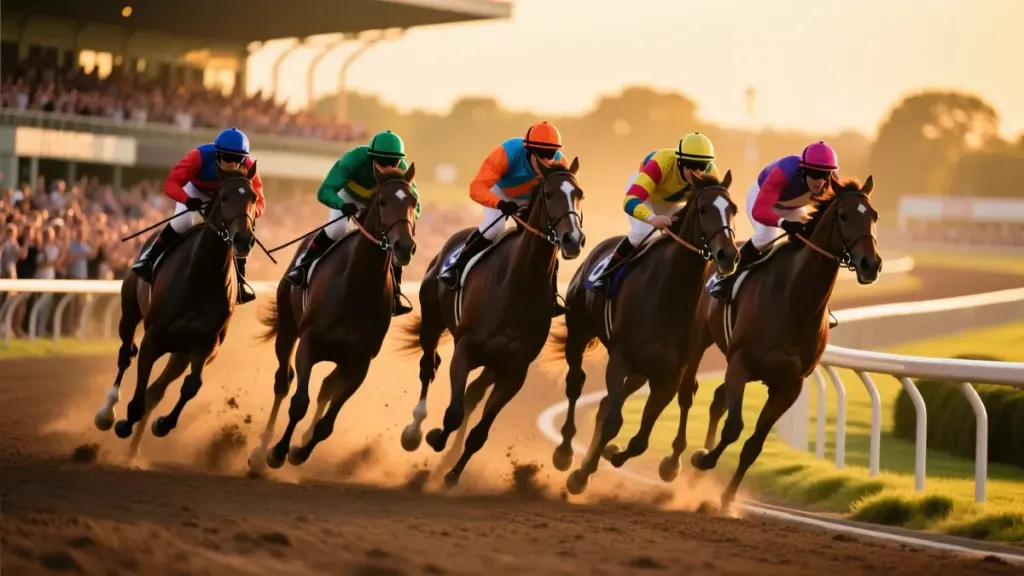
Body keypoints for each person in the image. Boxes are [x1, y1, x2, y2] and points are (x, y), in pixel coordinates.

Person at [437, 121, 569, 317]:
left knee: (545, 237)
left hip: (532, 198)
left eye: (551, 155)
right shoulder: (505, 153)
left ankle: (552, 294)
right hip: (499, 192)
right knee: (494, 229)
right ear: (529, 150)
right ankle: (457, 267)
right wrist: (499, 203)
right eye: (542, 155)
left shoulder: (561, 163)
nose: (547, 161)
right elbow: (476, 188)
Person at [283, 130, 420, 316]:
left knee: (393, 237)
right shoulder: (354, 159)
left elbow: (415, 204)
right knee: (337, 229)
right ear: (371, 157)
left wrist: (407, 222)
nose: (388, 167)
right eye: (382, 161)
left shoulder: (403, 171)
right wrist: (341, 204)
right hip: (349, 199)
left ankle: (395, 293)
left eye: (393, 162)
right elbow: (324, 190)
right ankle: (303, 266)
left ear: (399, 161)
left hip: (380, 203)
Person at [707, 141, 841, 327]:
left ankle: (821, 305)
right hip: (762, 200)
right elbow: (759, 211)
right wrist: (783, 223)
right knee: (767, 236)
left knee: (811, 241)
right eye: (816, 174)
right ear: (803, 170)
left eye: (825, 175)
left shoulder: (831, 181)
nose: (821, 181)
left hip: (793, 207)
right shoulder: (783, 173)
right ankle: (727, 278)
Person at [131, 127, 265, 304]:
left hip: (225, 198)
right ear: (217, 154)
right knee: (182, 222)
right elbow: (171, 183)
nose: (233, 164)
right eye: (227, 157)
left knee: (239, 232)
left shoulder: (248, 167)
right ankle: (149, 259)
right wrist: (187, 200)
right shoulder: (199, 156)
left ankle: (240, 280)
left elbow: (260, 201)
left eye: (238, 159)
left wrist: (246, 213)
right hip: (196, 191)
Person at [589, 132, 719, 297]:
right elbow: (630, 201)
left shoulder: (711, 174)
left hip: (670, 202)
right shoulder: (661, 163)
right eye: (692, 166)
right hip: (645, 194)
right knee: (644, 232)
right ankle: (606, 275)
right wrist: (652, 217)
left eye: (703, 166)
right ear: (681, 162)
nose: (698, 173)